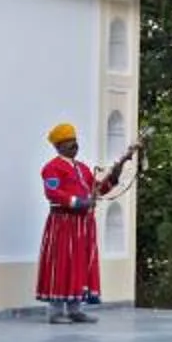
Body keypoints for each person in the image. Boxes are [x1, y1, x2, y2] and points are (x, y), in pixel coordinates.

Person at [36, 122, 137, 324]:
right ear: (58, 146)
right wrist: (79, 202)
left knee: (79, 264)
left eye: (75, 141)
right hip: (63, 223)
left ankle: (75, 309)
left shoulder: (82, 168)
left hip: (83, 225)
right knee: (62, 263)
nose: (74, 145)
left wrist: (118, 169)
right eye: (68, 142)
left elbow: (98, 189)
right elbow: (53, 193)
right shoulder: (51, 168)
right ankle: (55, 312)